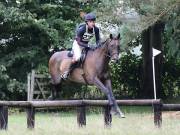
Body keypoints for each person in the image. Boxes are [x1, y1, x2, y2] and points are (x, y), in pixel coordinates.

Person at [61, 12, 100, 79]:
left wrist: (97, 46)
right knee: (78, 57)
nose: (92, 23)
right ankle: (67, 72)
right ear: (87, 22)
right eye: (91, 22)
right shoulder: (82, 29)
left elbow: (97, 40)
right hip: (78, 45)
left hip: (86, 45)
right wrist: (89, 45)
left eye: (93, 21)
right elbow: (79, 42)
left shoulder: (96, 29)